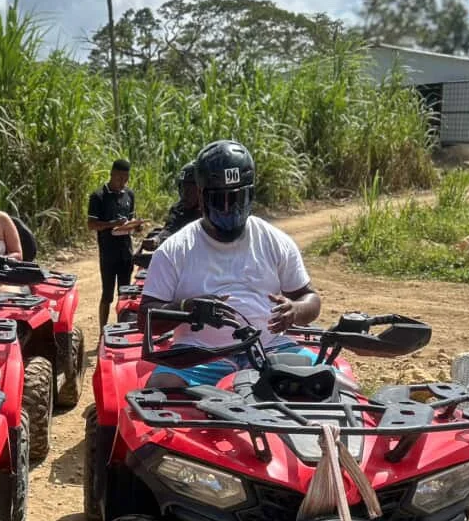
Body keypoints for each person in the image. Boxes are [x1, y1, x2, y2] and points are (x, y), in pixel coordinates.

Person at [137, 139, 321, 387]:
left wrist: (296, 310)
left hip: (271, 349)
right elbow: (145, 318)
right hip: (200, 357)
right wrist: (187, 308)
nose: (229, 208)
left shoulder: (275, 240)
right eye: (220, 200)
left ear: (251, 194)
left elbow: (310, 298)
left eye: (237, 198)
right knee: (157, 395)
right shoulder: (174, 250)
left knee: (336, 385)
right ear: (201, 198)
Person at [88, 158, 143, 332]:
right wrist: (112, 224)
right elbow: (92, 224)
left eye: (126, 179)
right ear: (112, 174)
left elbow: (131, 218)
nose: (123, 182)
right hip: (108, 252)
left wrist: (136, 225)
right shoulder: (98, 196)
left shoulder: (129, 195)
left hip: (126, 251)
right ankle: (102, 332)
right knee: (107, 295)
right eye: (120, 178)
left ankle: (121, 329)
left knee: (125, 294)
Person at [163, 161, 201, 235]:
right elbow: (170, 229)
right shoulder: (178, 209)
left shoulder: (212, 213)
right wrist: (156, 239)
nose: (185, 194)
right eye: (182, 189)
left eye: (189, 190)